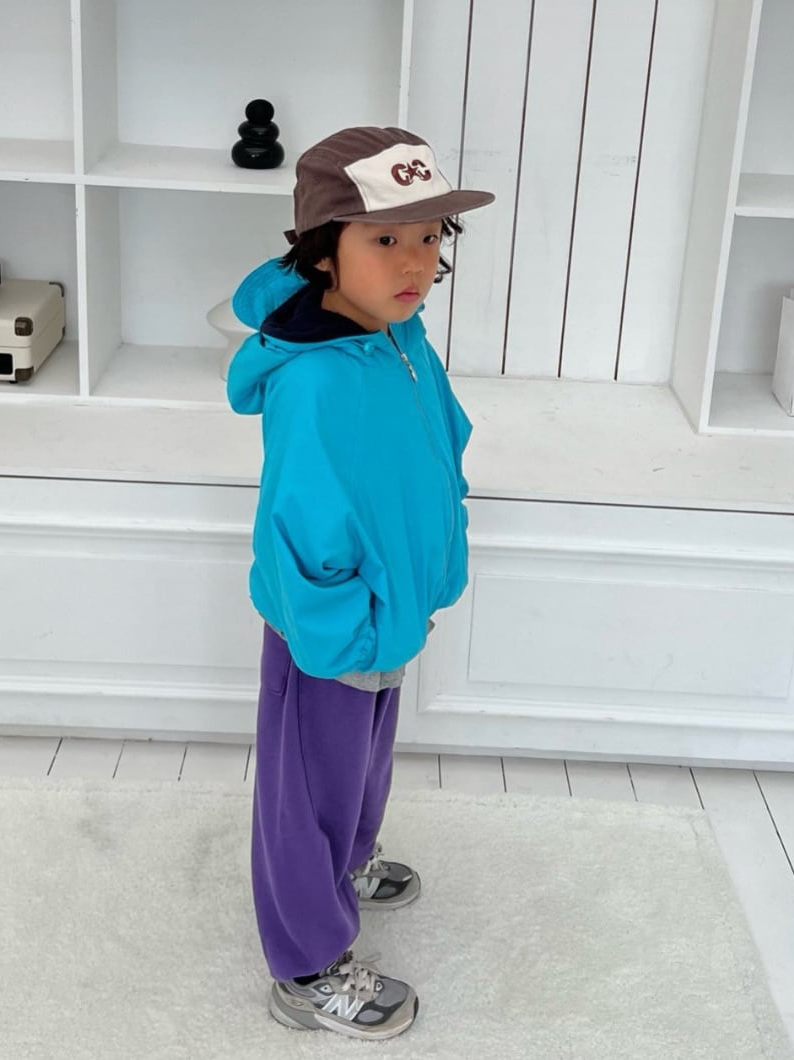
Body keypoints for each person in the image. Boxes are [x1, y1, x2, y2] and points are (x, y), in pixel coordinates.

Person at [226, 126, 494, 1041]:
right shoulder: (315, 381)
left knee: (363, 766)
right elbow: (303, 522)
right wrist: (340, 631)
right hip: (332, 626)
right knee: (308, 791)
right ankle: (305, 964)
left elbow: (441, 442)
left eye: (428, 236)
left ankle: (348, 861)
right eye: (385, 238)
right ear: (321, 251)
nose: (415, 261)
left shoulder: (397, 333)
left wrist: (432, 566)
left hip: (390, 606)